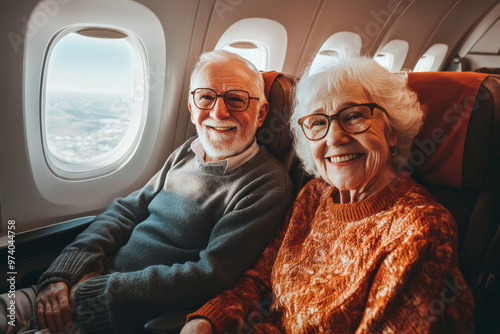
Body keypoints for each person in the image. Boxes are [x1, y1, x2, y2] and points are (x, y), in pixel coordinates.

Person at [1, 50, 293, 334]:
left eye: (236, 99)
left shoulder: (267, 184)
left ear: (260, 113)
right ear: (192, 109)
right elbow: (128, 210)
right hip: (86, 278)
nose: (218, 111)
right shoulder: (188, 152)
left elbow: (211, 273)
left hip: (116, 311)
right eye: (206, 96)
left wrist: (94, 293)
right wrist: (65, 271)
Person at [180, 54, 475, 333]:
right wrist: (208, 320)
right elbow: (258, 282)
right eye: (319, 122)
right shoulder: (314, 195)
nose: (335, 137)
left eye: (355, 116)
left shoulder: (419, 229)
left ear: (392, 131)